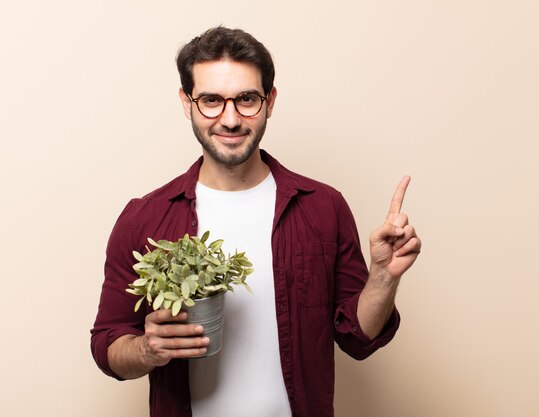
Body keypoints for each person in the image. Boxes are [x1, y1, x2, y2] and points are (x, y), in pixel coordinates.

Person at [91, 26, 420, 417]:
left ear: (270, 101)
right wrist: (147, 349)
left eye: (246, 99)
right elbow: (108, 345)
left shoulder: (322, 208)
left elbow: (356, 338)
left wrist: (383, 277)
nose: (230, 119)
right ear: (186, 102)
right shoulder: (144, 219)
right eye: (211, 100)